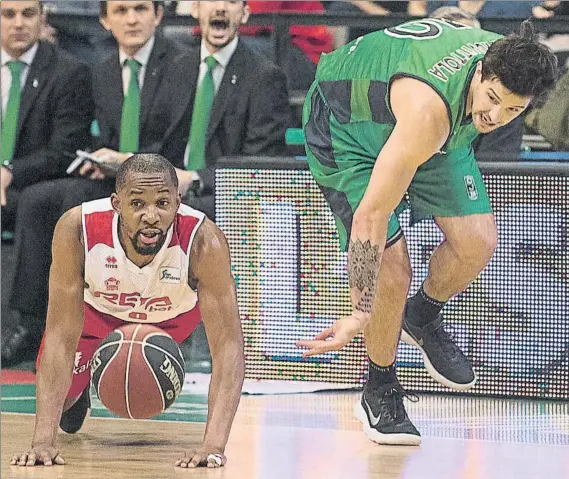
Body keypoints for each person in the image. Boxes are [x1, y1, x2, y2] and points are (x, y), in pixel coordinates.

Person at [299, 18, 557, 445]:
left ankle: (420, 316)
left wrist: (487, 105)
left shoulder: (507, 59)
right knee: (393, 271)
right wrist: (361, 310)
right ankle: (379, 387)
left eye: (513, 109)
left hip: (434, 126)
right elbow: (370, 218)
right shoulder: (427, 113)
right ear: (479, 72)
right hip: (346, 127)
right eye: (492, 99)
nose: (494, 118)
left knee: (478, 242)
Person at [10, 154, 245, 469]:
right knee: (62, 409)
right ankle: (79, 393)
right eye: (137, 204)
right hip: (98, 315)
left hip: (169, 319)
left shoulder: (204, 240)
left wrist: (214, 446)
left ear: (178, 201)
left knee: (140, 377)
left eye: (162, 203)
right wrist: (42, 442)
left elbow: (228, 347)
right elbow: (59, 337)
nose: (151, 216)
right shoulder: (77, 229)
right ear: (116, 203)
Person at [2, 0, 190, 367]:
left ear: (159, 15)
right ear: (105, 21)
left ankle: (95, 327)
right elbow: (89, 138)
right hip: (117, 181)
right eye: (121, 11)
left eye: (139, 9)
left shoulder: (182, 66)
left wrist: (128, 163)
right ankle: (31, 322)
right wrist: (99, 161)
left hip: (164, 179)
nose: (132, 19)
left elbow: (175, 137)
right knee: (42, 199)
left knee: (73, 198)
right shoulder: (101, 71)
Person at [172, 0, 291, 221]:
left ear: (245, 14)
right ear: (196, 9)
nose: (221, 7)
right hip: (171, 191)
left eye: (232, 1)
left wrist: (195, 178)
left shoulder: (265, 77)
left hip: (228, 197)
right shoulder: (176, 67)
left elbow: (259, 163)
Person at [0, 0, 93, 231]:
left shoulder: (69, 72)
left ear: (42, 19)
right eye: (8, 15)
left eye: (28, 14)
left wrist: (11, 172)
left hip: (31, 188)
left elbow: (64, 150)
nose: (18, 24)